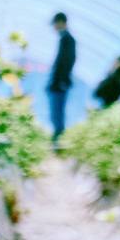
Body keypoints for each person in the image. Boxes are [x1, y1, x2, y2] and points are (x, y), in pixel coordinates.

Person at [46, 12, 76, 143]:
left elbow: (67, 61)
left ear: (61, 22)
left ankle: (59, 137)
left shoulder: (67, 39)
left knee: (57, 111)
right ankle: (58, 136)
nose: (54, 27)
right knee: (56, 111)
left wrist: (61, 80)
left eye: (55, 24)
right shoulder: (65, 38)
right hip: (59, 82)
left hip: (60, 83)